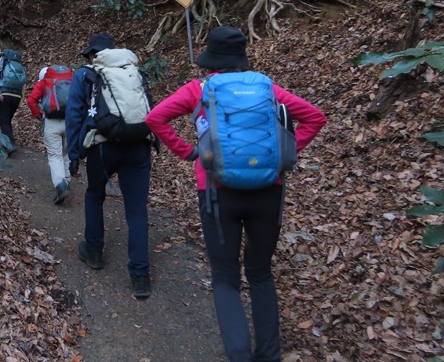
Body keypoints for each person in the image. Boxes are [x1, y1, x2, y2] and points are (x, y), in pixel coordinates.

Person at [145, 26, 327, 361]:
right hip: (268, 192)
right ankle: (269, 354)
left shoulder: (198, 89)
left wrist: (187, 152)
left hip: (217, 193)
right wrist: (284, 154)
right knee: (259, 272)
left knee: (226, 278)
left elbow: (155, 118)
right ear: (243, 57)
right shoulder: (268, 89)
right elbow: (315, 118)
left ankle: (240, 354)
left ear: (210, 60)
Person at [65, 32, 153, 299]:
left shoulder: (85, 75)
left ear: (93, 54)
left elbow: (74, 114)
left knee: (94, 195)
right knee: (136, 209)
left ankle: (94, 251)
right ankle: (140, 276)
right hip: (138, 144)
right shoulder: (134, 72)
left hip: (102, 147)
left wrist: (74, 154)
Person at [27, 65, 72, 204]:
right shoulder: (71, 81)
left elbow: (31, 100)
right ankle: (67, 181)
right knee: (65, 154)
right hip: (70, 122)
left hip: (51, 122)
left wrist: (38, 115)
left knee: (54, 155)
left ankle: (60, 184)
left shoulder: (44, 82)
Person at [0, 49, 26, 152]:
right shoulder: (20, 67)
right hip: (17, 97)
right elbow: (24, 84)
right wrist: (21, 101)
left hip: (4, 95)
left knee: (4, 122)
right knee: (7, 120)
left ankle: (9, 145)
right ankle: (10, 142)